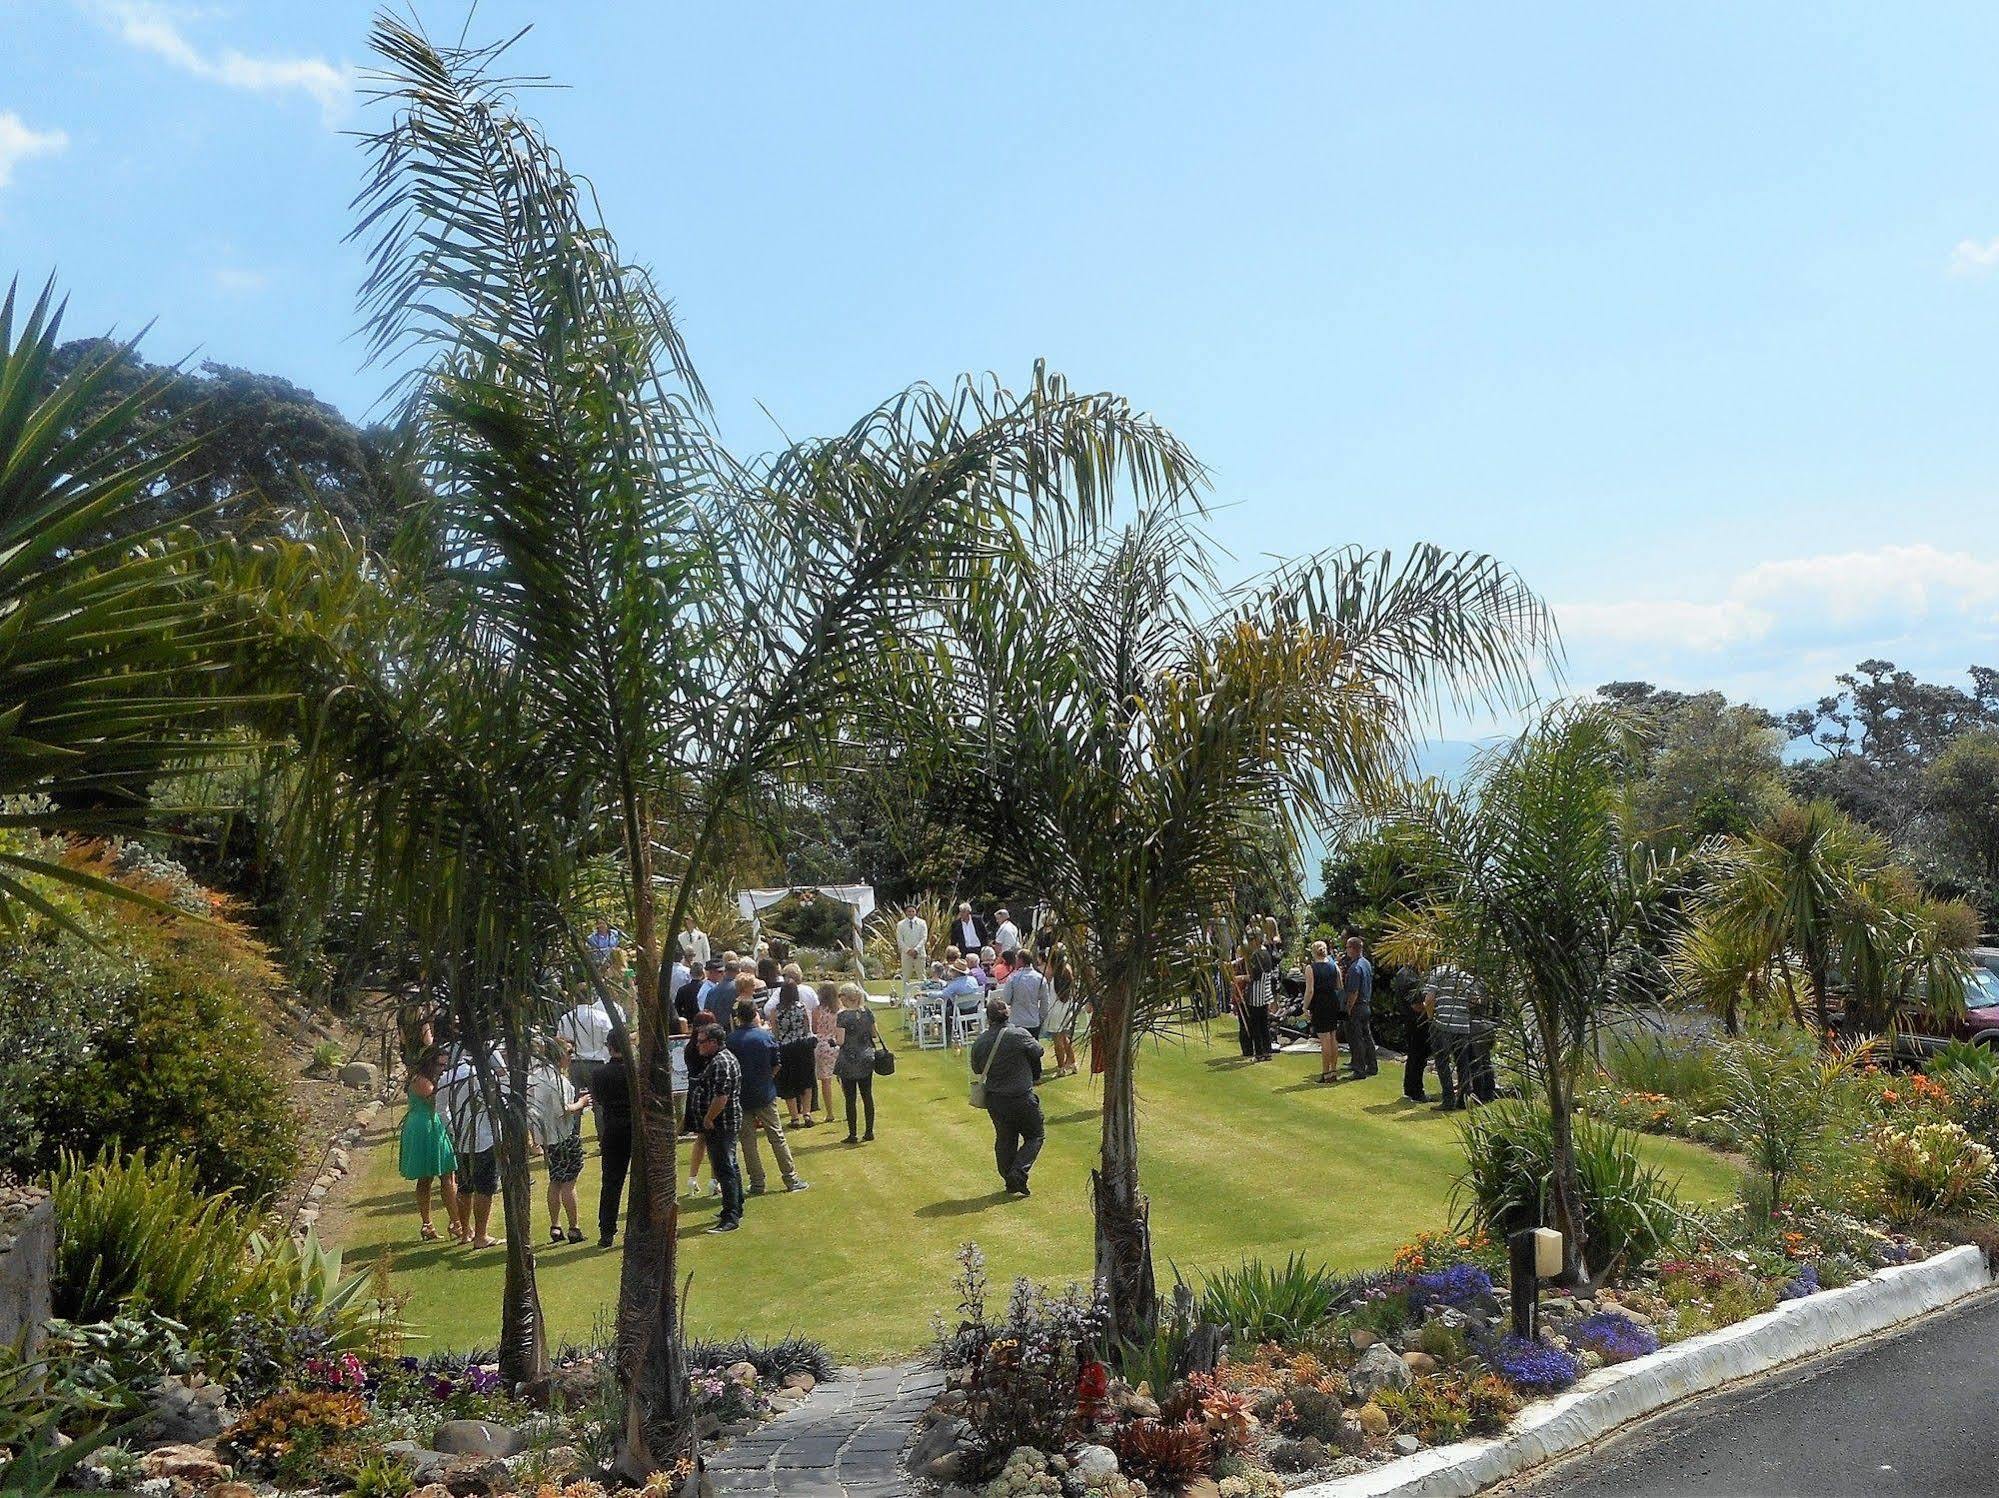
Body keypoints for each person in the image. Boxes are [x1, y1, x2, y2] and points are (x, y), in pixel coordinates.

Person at [728, 999, 808, 1195]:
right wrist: (766, 1078)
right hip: (764, 1093)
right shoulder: (765, 1037)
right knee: (776, 1136)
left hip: (741, 1096)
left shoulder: (731, 1040)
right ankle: (790, 1178)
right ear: (755, 1013)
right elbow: (777, 1063)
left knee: (747, 1142)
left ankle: (757, 1183)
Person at [969, 996, 1044, 1197]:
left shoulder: (981, 1041)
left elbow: (976, 1067)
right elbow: (1038, 1050)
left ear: (988, 1018)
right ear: (1007, 1014)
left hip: (996, 1099)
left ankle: (1010, 1178)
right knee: (1035, 1135)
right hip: (1021, 1096)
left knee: (1005, 1139)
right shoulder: (1018, 1034)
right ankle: (1017, 1172)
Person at [437, 1046, 503, 1248]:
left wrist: (453, 1129)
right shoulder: (480, 1075)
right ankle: (481, 1235)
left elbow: (440, 1109)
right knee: (485, 1188)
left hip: (461, 1139)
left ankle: (466, 1232)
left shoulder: (445, 1078)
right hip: (484, 1137)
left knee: (465, 1187)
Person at [531, 1037, 590, 1244]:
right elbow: (563, 1109)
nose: (571, 1057)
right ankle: (573, 1227)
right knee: (568, 1182)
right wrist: (581, 1103)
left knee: (555, 1180)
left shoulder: (535, 1076)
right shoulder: (559, 1080)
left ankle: (555, 1226)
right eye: (569, 1053)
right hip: (563, 1136)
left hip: (547, 1138)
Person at [688, 1023, 745, 1233]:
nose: (697, 1045)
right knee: (731, 1164)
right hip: (725, 1121)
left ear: (713, 1042)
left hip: (722, 1122)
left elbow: (721, 1095)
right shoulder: (721, 1058)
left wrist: (708, 1118)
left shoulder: (721, 1061)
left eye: (702, 1042)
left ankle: (730, 1216)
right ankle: (735, 1207)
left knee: (724, 1168)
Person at [398, 1045, 458, 1242]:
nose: (443, 1068)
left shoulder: (427, 1078)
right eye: (440, 1064)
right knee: (430, 1177)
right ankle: (435, 1223)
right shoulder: (422, 1081)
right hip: (424, 1127)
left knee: (446, 1175)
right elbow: (437, 1100)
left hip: (431, 1124)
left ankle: (454, 1221)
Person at [556, 984, 625, 1136]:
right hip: (596, 1063)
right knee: (599, 1104)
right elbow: (609, 1042)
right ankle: (603, 1136)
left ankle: (573, 1136)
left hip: (574, 1063)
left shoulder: (565, 1018)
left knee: (573, 1101)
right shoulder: (601, 1017)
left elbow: (560, 1041)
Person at [1425, 962, 1494, 1110]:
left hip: (1442, 1024)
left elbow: (1429, 1000)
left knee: (1442, 1063)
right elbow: (1476, 1000)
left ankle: (1448, 1099)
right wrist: (1463, 1010)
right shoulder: (1465, 976)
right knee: (1462, 1063)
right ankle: (1463, 1100)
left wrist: (1431, 1018)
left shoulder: (1437, 972)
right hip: (1462, 1025)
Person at [593, 1027, 634, 1247]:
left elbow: (598, 1099)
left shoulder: (600, 1073)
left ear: (609, 1047)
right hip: (636, 1129)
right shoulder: (636, 1069)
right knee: (642, 1178)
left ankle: (606, 1230)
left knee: (611, 1182)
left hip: (613, 1130)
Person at [832, 983, 880, 1143]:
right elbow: (874, 1034)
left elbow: (840, 1040)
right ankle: (869, 1131)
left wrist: (833, 1041)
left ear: (846, 997)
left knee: (850, 1098)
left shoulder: (843, 1016)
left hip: (848, 1059)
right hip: (866, 1057)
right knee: (867, 1095)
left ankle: (853, 1134)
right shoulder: (867, 1012)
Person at [769, 980, 820, 1127]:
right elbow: (806, 1027)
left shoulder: (775, 1011)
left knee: (789, 1082)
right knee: (806, 1080)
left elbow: (775, 1032)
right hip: (803, 1047)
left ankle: (794, 1117)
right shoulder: (801, 1007)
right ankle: (807, 1113)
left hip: (785, 1048)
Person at [1303, 940, 1343, 1084]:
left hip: (1320, 1002)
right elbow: (1339, 985)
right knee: (1333, 1036)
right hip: (1332, 1001)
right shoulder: (1334, 966)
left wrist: (1305, 1006)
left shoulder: (1310, 968)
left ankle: (1326, 1072)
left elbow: (1310, 990)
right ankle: (1333, 1070)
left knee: (1324, 1039)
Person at [1341, 934, 1377, 1078]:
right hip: (1366, 1005)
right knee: (1367, 1037)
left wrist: (1348, 1008)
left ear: (1353, 948)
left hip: (1357, 1006)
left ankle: (1359, 1069)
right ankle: (1372, 1065)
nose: (1346, 950)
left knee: (1356, 1039)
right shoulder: (1366, 963)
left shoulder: (1355, 968)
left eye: (1348, 947)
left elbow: (1353, 992)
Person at [1395, 965, 1432, 1102]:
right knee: (1418, 1057)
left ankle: (1410, 1088)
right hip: (1417, 1022)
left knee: (1414, 1056)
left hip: (1410, 1020)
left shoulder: (1403, 973)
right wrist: (1432, 1009)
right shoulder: (1410, 978)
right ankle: (1416, 1091)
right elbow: (1416, 1005)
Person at [810, 977, 842, 1126]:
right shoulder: (840, 1010)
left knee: (826, 1081)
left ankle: (830, 1113)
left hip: (823, 1045)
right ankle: (849, 1107)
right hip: (837, 1044)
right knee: (843, 1078)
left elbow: (815, 1029)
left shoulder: (818, 1010)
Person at [998, 947, 1049, 1037]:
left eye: (1017, 958)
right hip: (1033, 1020)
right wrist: (1040, 1017)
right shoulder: (1040, 978)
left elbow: (1007, 999)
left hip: (1017, 1021)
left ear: (1021, 960)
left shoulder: (1013, 978)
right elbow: (1045, 1001)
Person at [1243, 935, 1279, 1062]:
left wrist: (1240, 978)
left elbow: (1254, 976)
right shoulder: (1266, 953)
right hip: (1265, 993)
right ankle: (1267, 1051)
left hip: (1257, 994)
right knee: (1263, 1024)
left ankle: (1259, 1053)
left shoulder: (1258, 954)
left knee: (1257, 1025)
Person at [1045, 943, 1079, 1077]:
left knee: (1057, 1039)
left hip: (1054, 1007)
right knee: (1064, 1036)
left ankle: (1061, 1068)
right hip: (1066, 1007)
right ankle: (1073, 1062)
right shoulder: (1068, 969)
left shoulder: (1051, 971)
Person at [897, 902, 930, 987]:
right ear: (905, 912)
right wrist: (908, 950)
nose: (910, 913)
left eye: (912, 911)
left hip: (919, 953)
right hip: (906, 954)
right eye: (909, 911)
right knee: (906, 976)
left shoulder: (922, 923)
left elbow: (924, 938)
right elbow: (900, 940)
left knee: (922, 976)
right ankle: (905, 997)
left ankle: (924, 996)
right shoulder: (900, 924)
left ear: (915, 912)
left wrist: (916, 949)